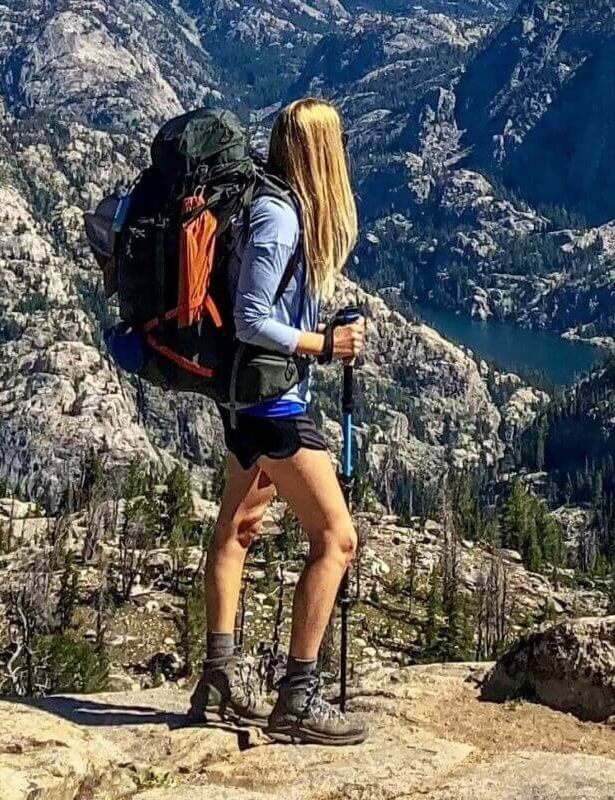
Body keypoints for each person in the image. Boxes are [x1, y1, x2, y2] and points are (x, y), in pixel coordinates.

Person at [187, 98, 369, 746]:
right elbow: (251, 319)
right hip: (270, 404)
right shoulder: (278, 216)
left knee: (236, 530)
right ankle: (298, 694)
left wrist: (316, 332)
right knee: (336, 540)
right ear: (323, 152)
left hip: (246, 397)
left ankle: (217, 680)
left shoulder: (275, 204)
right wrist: (325, 346)